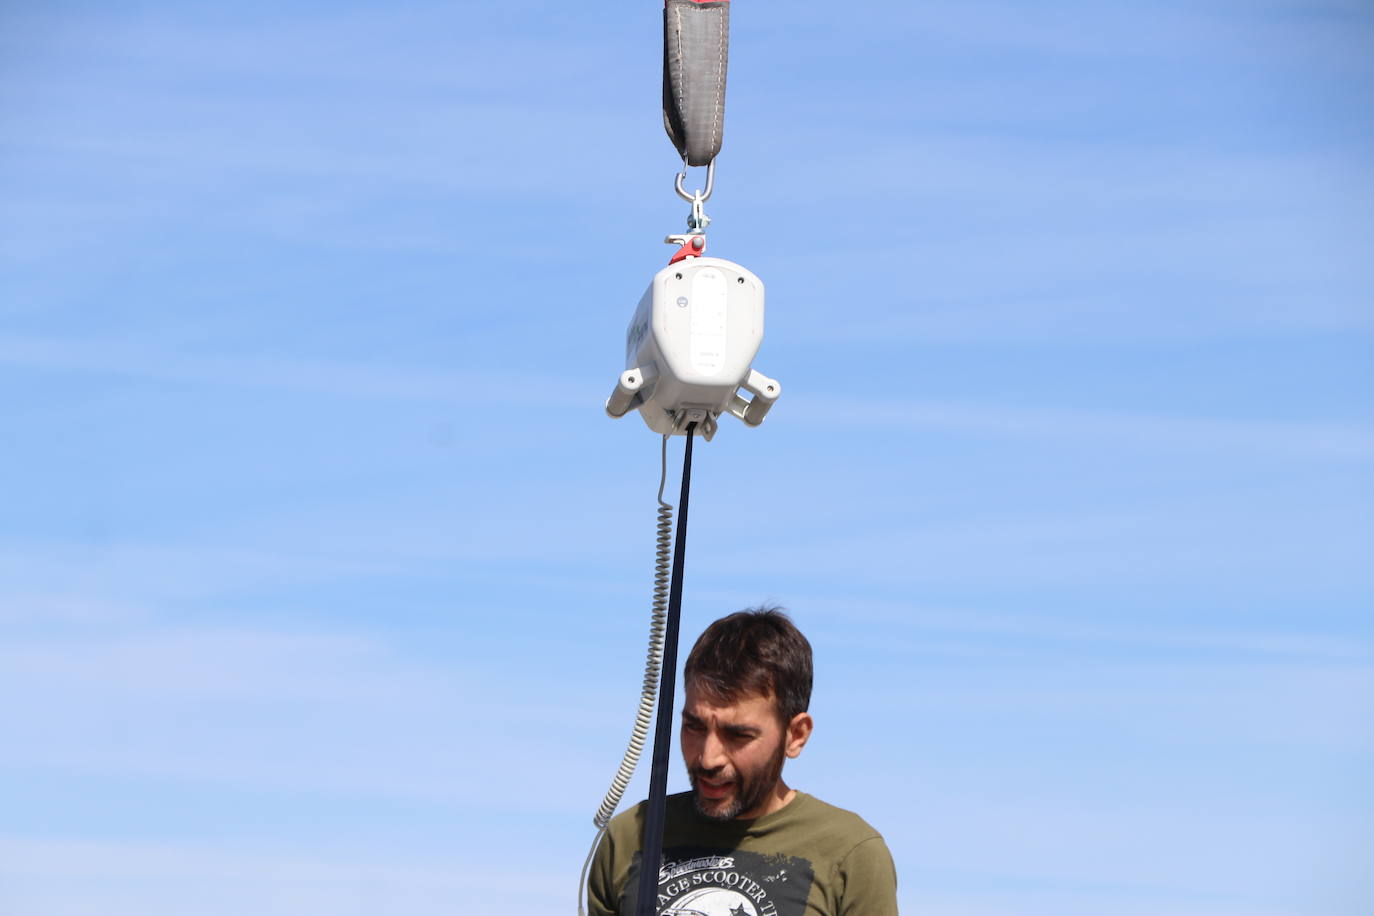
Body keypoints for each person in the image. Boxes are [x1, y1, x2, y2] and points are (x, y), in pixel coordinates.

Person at [588, 607, 899, 916]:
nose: (708, 758)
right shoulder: (631, 835)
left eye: (738, 735)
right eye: (694, 727)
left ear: (796, 735)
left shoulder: (851, 852)